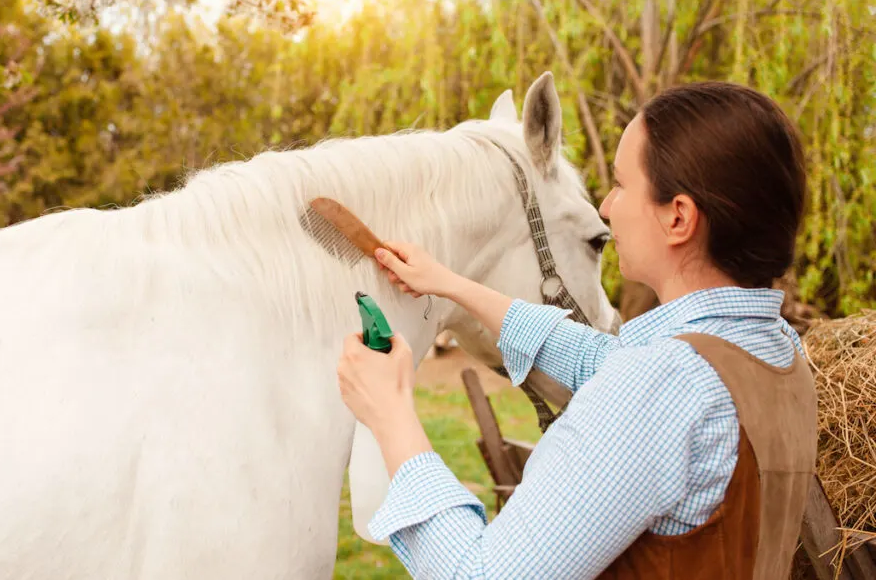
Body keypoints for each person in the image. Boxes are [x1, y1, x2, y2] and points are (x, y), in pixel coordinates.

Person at [336, 81, 818, 579]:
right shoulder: (776, 352)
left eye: (621, 185)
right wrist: (452, 284)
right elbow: (599, 359)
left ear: (678, 217)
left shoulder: (662, 384)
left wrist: (390, 413)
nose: (607, 206)